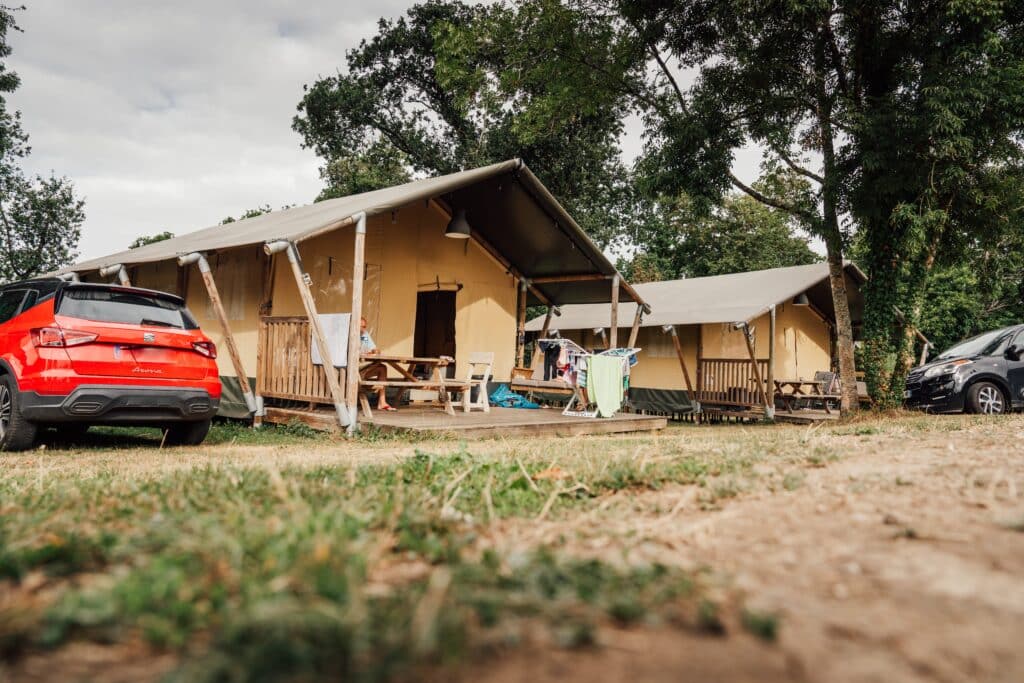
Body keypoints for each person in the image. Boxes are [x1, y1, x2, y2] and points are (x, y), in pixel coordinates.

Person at [358, 317, 395, 411]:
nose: (363, 329)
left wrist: (375, 350)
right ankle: (380, 400)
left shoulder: (364, 335)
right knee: (381, 367)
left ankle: (382, 402)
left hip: (363, 367)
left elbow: (373, 348)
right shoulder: (349, 335)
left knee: (382, 368)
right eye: (361, 327)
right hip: (353, 371)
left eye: (364, 327)